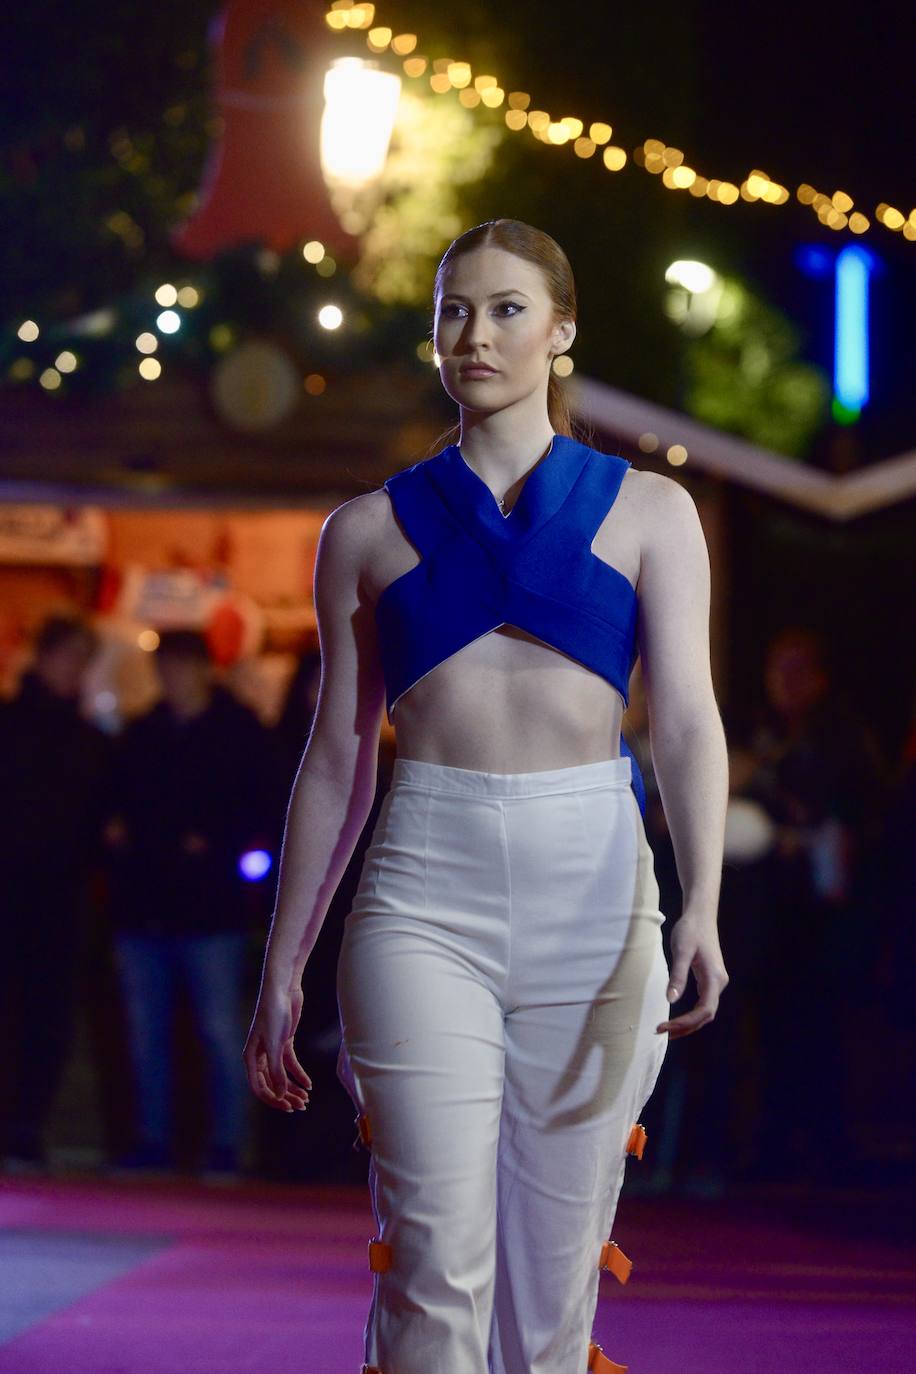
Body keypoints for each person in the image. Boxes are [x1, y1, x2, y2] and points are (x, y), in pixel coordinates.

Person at [243, 219, 729, 1374]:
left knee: (557, 1281)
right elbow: (336, 756)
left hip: (599, 892)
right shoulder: (361, 530)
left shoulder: (652, 511)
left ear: (561, 333)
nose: (475, 334)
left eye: (508, 309)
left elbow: (689, 720)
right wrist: (283, 959)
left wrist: (701, 900)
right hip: (423, 892)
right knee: (431, 1259)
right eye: (454, 309)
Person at [105, 629, 274, 1179]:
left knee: (219, 1031)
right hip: (147, 906)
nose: (172, 679)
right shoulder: (144, 732)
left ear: (204, 669)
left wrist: (216, 849)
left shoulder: (237, 732)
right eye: (166, 668)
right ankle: (156, 1141)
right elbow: (118, 810)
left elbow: (261, 810)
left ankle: (225, 1145)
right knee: (148, 1033)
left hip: (208, 910)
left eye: (180, 667)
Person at [0, 613, 109, 1172]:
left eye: (83, 661)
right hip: (18, 892)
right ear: (43, 657)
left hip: (61, 897)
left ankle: (25, 1124)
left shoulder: (87, 737)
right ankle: (17, 1123)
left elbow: (95, 822)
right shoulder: (16, 724)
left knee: (46, 1015)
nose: (76, 671)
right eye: (70, 657)